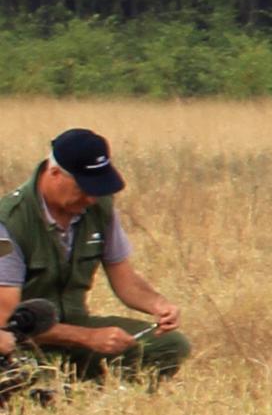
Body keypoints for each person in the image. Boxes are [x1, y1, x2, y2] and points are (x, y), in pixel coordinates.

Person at [0, 128, 192, 384]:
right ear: (54, 174)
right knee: (25, 382)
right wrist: (88, 338)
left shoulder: (99, 209)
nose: (91, 198)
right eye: (83, 188)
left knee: (170, 345)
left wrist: (159, 305)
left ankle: (103, 398)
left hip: (77, 332)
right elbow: (6, 319)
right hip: (22, 343)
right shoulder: (9, 222)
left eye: (97, 189)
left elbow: (125, 279)